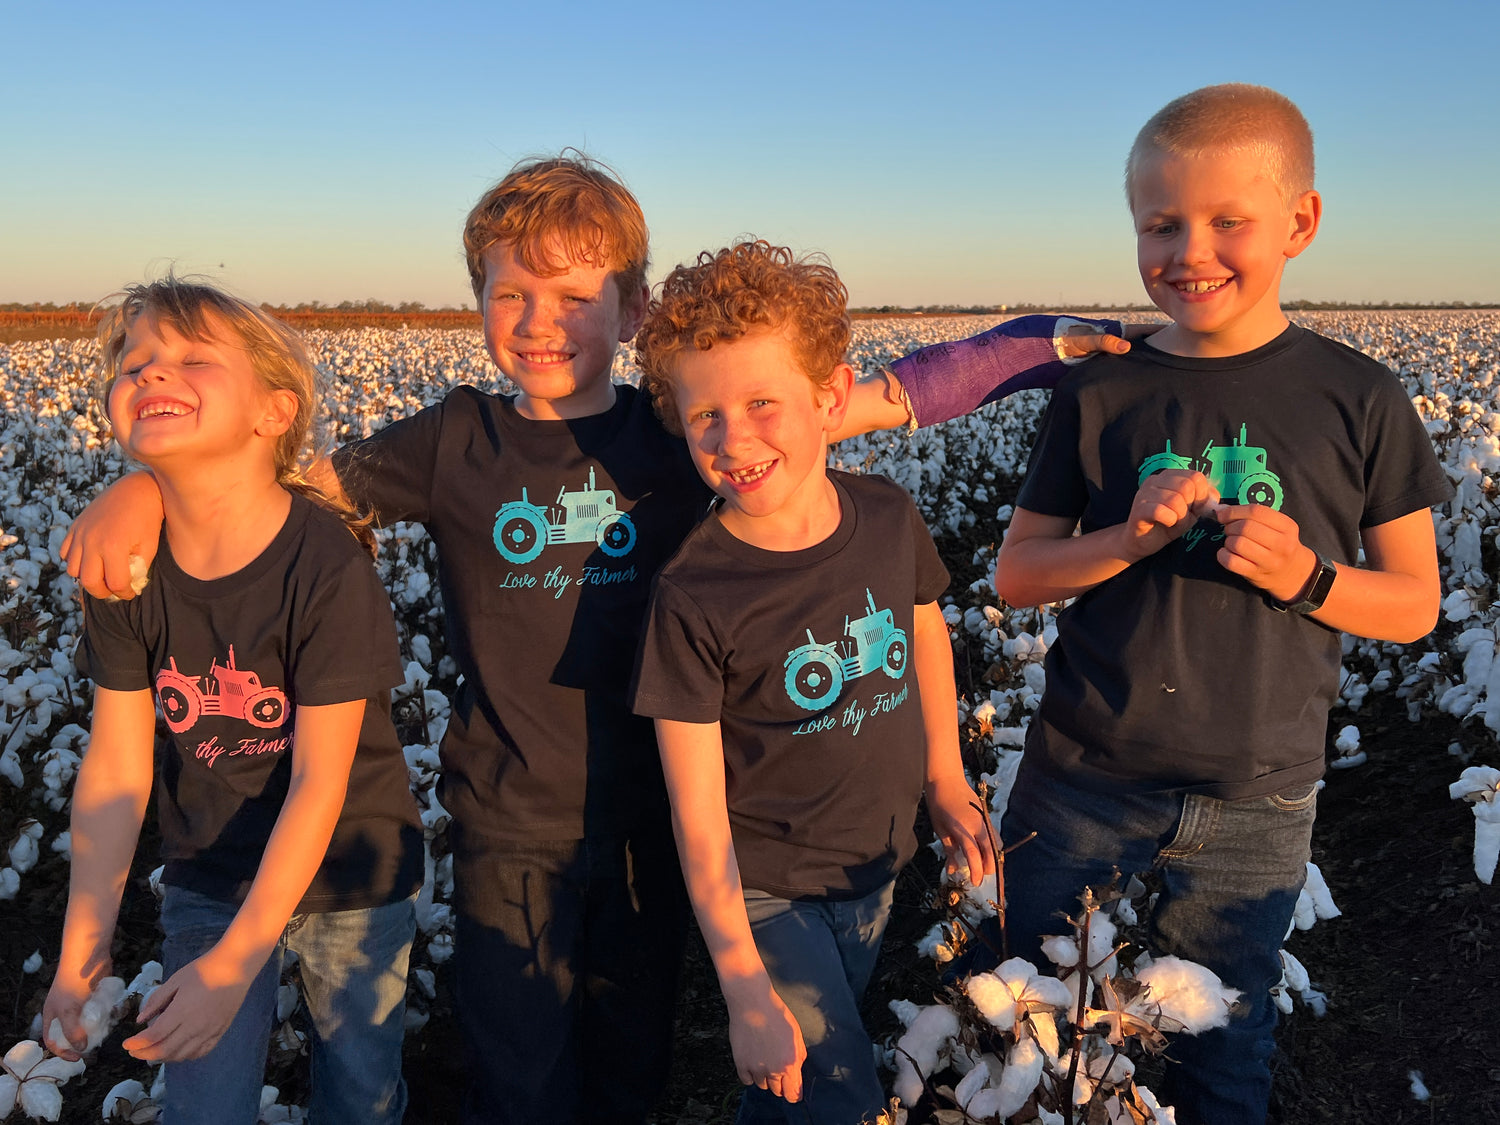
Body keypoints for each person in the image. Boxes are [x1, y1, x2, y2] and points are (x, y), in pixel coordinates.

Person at [57, 155, 1130, 1124]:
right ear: (477, 300)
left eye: (574, 297)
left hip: (660, 816)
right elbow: (287, 489)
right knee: (518, 1069)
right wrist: (145, 490)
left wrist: (1040, 345)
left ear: (633, 309)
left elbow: (887, 399)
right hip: (507, 821)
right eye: (510, 295)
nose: (540, 322)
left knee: (632, 1060)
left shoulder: (685, 426)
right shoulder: (454, 439)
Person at [900, 84, 1452, 1125]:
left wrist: (1308, 577)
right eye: (1161, 225)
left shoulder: (1361, 397)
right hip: (1082, 774)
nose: (1190, 251)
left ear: (1300, 221)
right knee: (1029, 1023)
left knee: (1222, 1046)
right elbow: (1018, 575)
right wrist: (1126, 539)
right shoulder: (1100, 391)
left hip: (1258, 796)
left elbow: (1416, 602)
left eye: (1227, 220)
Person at [629, 241, 995, 1125]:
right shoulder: (693, 592)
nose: (734, 438)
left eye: (762, 402)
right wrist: (742, 985)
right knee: (841, 1093)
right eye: (705, 414)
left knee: (789, 1084)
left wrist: (945, 776)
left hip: (872, 865)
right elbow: (696, 811)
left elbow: (923, 630)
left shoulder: (887, 517)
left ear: (829, 398)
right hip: (767, 890)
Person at [42, 278, 423, 1125]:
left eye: (191, 359)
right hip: (211, 868)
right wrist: (81, 953)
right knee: (203, 1106)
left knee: (358, 1095)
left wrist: (234, 962)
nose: (150, 372)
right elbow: (116, 769)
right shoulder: (122, 569)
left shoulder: (325, 564)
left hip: (351, 869)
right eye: (134, 362)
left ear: (273, 412)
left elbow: (320, 783)